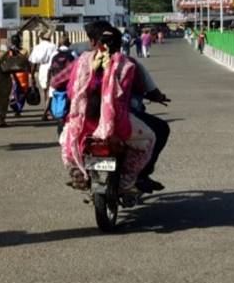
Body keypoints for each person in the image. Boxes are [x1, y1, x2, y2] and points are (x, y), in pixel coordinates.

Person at [59, 21, 156, 195]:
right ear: (120, 45)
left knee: (65, 141)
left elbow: (70, 90)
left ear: (96, 42)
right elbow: (125, 96)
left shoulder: (81, 62)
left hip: (83, 123)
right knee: (149, 140)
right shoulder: (126, 65)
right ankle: (126, 181)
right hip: (115, 124)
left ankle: (76, 172)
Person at [128, 58, 171, 193]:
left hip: (92, 117)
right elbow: (152, 90)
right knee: (161, 129)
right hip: (126, 117)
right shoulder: (131, 64)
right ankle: (143, 174)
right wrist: (158, 97)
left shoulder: (84, 61)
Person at [47, 37, 78, 135]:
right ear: (69, 43)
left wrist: (50, 82)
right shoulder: (73, 53)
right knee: (69, 106)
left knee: (57, 103)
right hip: (69, 84)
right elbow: (77, 68)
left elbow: (49, 68)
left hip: (57, 83)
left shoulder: (54, 54)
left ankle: (58, 120)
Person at [30, 32, 58, 121]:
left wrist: (32, 76)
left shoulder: (37, 47)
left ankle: (47, 110)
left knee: (45, 91)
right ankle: (47, 111)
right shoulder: (53, 46)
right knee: (51, 92)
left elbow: (33, 62)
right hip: (51, 69)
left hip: (42, 69)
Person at [5, 35, 31, 117]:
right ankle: (19, 109)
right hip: (22, 74)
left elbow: (6, 63)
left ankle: (15, 108)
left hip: (12, 74)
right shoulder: (24, 51)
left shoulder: (9, 52)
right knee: (22, 92)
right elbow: (27, 63)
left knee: (13, 93)